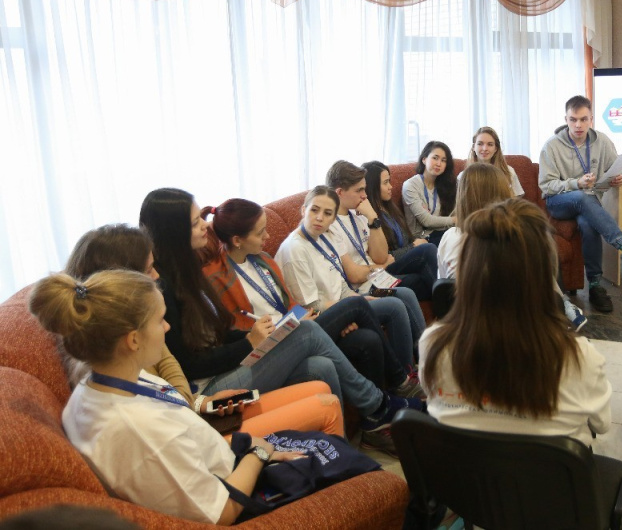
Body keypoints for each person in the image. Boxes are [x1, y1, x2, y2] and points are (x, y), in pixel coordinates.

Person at [139, 188, 420, 455]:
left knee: (320, 365)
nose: (204, 226)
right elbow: (188, 364)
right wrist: (248, 343)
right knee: (308, 330)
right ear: (173, 232)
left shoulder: (192, 270)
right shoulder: (162, 287)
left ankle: (341, 446)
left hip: (231, 364)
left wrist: (257, 336)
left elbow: (218, 333)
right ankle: (378, 405)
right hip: (210, 391)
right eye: (194, 223)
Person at [30, 269, 307, 524]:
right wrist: (260, 453)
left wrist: (246, 443)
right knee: (323, 427)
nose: (167, 328)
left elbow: (178, 422)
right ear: (133, 340)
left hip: (225, 459)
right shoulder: (140, 429)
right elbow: (222, 512)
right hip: (235, 494)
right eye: (160, 320)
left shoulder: (101, 383)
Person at [64, 223, 345, 438]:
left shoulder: (140, 324)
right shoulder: (119, 358)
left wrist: (200, 402)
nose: (157, 276)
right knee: (311, 337)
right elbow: (176, 419)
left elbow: (170, 370)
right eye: (149, 269)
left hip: (198, 404)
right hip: (201, 424)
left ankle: (345, 458)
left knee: (319, 369)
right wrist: (258, 453)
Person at [420, 198, 611, 444]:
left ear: (468, 271)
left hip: (463, 468)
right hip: (548, 468)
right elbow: (601, 424)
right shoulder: (580, 358)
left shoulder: (433, 345)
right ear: (544, 273)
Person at [202, 198, 422, 398]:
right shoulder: (217, 279)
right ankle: (400, 382)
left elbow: (291, 305)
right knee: (357, 304)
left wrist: (319, 317)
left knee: (368, 336)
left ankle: (385, 404)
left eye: (328, 213)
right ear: (237, 240)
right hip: (275, 343)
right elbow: (242, 332)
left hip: (299, 324)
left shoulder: (262, 259)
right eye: (261, 233)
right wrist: (315, 317)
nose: (267, 237)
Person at [275, 186, 424, 373]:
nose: (320, 218)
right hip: (324, 313)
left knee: (401, 297)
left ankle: (415, 366)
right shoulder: (295, 250)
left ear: (333, 219)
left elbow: (341, 285)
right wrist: (349, 310)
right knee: (394, 307)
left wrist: (356, 300)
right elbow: (311, 306)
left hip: (348, 301)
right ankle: (406, 375)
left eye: (327, 213)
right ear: (303, 210)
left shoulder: (326, 236)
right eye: (314, 210)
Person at [539, 95, 622, 313]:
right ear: (566, 119)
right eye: (573, 120)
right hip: (559, 202)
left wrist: (616, 179)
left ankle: (594, 285)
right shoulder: (551, 146)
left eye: (583, 119)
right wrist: (576, 183)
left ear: (591, 119)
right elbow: (546, 185)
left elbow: (611, 172)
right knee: (582, 197)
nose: (578, 125)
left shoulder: (602, 141)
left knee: (588, 224)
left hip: (589, 200)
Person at [439, 163, 587, 330]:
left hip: (465, 329)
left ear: (462, 196)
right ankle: (565, 306)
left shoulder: (449, 238)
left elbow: (443, 289)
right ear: (502, 194)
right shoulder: (523, 238)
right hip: (522, 331)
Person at [326, 160, 436, 304]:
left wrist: (373, 218)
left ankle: (451, 307)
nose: (364, 195)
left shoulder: (360, 214)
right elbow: (356, 275)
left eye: (364, 189)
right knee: (423, 263)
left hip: (378, 276)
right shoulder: (330, 225)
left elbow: (380, 257)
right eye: (359, 190)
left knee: (422, 278)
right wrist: (382, 267)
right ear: (340, 192)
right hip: (365, 286)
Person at [361, 160, 440, 283]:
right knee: (427, 250)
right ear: (373, 186)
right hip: (386, 269)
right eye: (385, 183)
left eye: (389, 181)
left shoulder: (389, 208)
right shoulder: (369, 216)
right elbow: (385, 257)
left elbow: (406, 240)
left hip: (403, 260)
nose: (390, 186)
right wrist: (413, 246)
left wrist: (415, 244)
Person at [402, 141, 457, 245]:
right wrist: (455, 220)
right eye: (435, 158)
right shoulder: (410, 185)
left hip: (443, 231)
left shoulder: (446, 185)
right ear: (424, 159)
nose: (439, 164)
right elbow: (426, 221)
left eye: (443, 160)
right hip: (422, 238)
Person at [462, 126, 525, 196]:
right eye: (480, 144)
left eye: (490, 144)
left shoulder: (509, 172)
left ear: (496, 149)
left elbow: (517, 197)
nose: (485, 148)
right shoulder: (462, 176)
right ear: (474, 147)